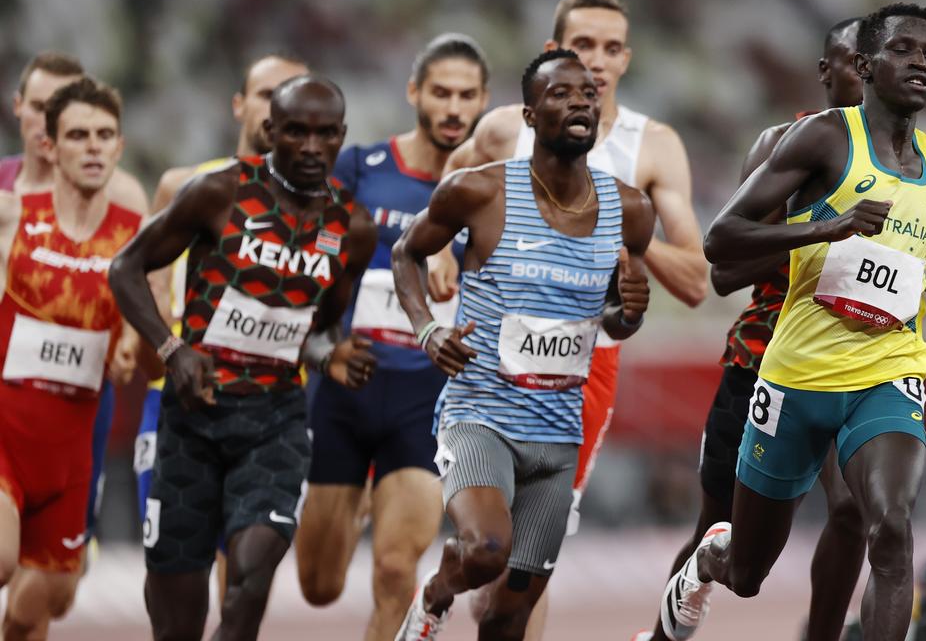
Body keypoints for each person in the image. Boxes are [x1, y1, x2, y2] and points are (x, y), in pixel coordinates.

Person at [661, 2, 926, 641]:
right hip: (797, 373)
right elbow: (722, 241)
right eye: (906, 50)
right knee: (747, 571)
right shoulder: (821, 138)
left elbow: (919, 247)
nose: (921, 64)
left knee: (888, 527)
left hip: (888, 369)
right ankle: (707, 561)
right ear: (864, 63)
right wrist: (831, 225)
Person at [443, 0, 706, 636]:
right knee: (488, 550)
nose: (597, 61)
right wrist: (444, 258)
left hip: (582, 370)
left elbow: (697, 279)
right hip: (491, 360)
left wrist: (623, 234)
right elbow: (452, 180)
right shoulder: (509, 126)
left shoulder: (654, 146)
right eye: (583, 45)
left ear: (627, 58)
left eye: (612, 48)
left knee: (525, 567)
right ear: (553, 52)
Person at [392, 49, 654, 641]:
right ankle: (435, 596)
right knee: (485, 551)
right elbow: (406, 252)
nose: (580, 102)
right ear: (530, 115)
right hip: (481, 416)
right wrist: (428, 329)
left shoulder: (630, 210)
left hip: (559, 434)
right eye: (561, 94)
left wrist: (631, 312)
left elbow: (616, 321)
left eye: (588, 93)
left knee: (511, 613)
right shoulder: (478, 192)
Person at [109, 75, 378, 641]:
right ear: (270, 131)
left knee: (251, 579)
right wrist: (172, 347)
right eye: (296, 132)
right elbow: (125, 269)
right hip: (193, 417)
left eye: (325, 135)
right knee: (177, 622)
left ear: (341, 137)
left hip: (274, 420)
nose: (311, 147)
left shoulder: (351, 230)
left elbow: (318, 326)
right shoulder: (220, 193)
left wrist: (331, 354)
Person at [637, 17, 869, 641]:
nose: (870, 74)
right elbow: (724, 271)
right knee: (720, 533)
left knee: (851, 512)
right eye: (855, 61)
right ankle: (663, 634)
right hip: (767, 359)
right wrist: (823, 241)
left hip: (853, 363)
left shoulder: (911, 161)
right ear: (828, 72)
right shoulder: (781, 146)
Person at [295, 33, 491, 640]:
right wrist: (322, 349)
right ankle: (352, 502)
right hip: (345, 387)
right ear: (414, 93)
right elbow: (311, 260)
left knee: (394, 567)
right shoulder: (360, 168)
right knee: (319, 584)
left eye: (466, 95)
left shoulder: (491, 195)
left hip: (428, 400)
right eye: (440, 93)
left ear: (485, 100)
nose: (453, 108)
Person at [132, 52, 310, 601]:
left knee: (247, 576)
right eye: (265, 94)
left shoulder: (319, 202)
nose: (277, 107)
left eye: (291, 95)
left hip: (269, 406)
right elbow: (148, 283)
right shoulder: (187, 186)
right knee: (179, 577)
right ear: (239, 104)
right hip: (179, 398)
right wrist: (165, 349)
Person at [0, 77, 144, 639]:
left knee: (46, 605)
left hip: (70, 460)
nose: (92, 146)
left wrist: (134, 345)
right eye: (78, 135)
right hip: (5, 438)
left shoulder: (137, 240)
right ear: (49, 146)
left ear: (119, 147)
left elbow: (146, 327)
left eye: (104, 135)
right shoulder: (11, 217)